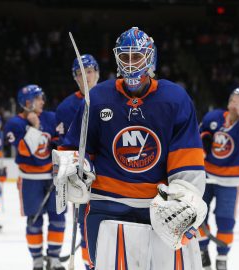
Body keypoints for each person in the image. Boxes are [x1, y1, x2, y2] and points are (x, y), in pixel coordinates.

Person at [55, 27, 207, 269]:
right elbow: (76, 147)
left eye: (136, 56)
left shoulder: (175, 99)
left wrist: (182, 195)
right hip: (107, 203)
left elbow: (186, 157)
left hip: (158, 208)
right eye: (124, 56)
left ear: (150, 58)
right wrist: (76, 168)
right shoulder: (98, 97)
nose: (129, 63)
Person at [199, 87, 239, 270]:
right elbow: (203, 134)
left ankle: (222, 256)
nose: (234, 101)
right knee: (197, 217)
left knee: (225, 220)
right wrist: (202, 148)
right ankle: (202, 250)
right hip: (206, 176)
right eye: (233, 98)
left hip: (230, 182)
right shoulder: (215, 117)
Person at [4, 85, 66, 270]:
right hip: (29, 179)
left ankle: (54, 258)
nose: (42, 102)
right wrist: (36, 127)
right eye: (38, 98)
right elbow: (25, 150)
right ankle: (37, 259)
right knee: (34, 220)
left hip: (54, 178)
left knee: (58, 219)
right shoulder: (14, 124)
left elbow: (61, 142)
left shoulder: (52, 117)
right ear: (27, 102)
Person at [55, 54, 99, 269]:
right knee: (85, 225)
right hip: (83, 179)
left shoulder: (110, 98)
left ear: (97, 73)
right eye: (80, 73)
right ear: (75, 78)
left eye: (89, 71)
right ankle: (89, 265)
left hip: (112, 174)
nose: (85, 77)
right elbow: (64, 147)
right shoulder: (65, 108)